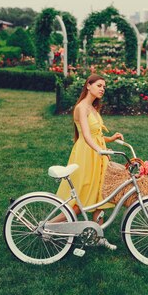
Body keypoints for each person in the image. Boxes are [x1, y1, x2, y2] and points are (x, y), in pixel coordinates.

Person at [54, 74, 123, 249]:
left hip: (98, 154)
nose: (102, 89)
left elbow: (96, 135)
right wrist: (99, 150)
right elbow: (86, 135)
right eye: (99, 85)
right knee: (81, 200)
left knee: (100, 194)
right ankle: (51, 227)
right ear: (88, 86)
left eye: (104, 87)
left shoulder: (93, 108)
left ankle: (98, 236)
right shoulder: (81, 108)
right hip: (86, 155)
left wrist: (111, 139)